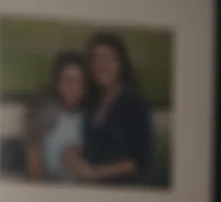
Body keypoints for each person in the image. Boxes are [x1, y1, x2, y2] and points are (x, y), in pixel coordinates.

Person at [65, 32, 153, 185]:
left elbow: (140, 160)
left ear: (120, 63)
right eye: (95, 59)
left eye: (107, 59)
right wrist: (73, 155)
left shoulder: (135, 105)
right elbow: (87, 143)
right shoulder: (91, 102)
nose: (100, 66)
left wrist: (93, 173)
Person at [24, 51, 88, 181]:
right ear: (57, 83)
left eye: (78, 81)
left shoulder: (90, 117)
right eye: (67, 80)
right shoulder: (44, 114)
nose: (73, 87)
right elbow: (34, 168)